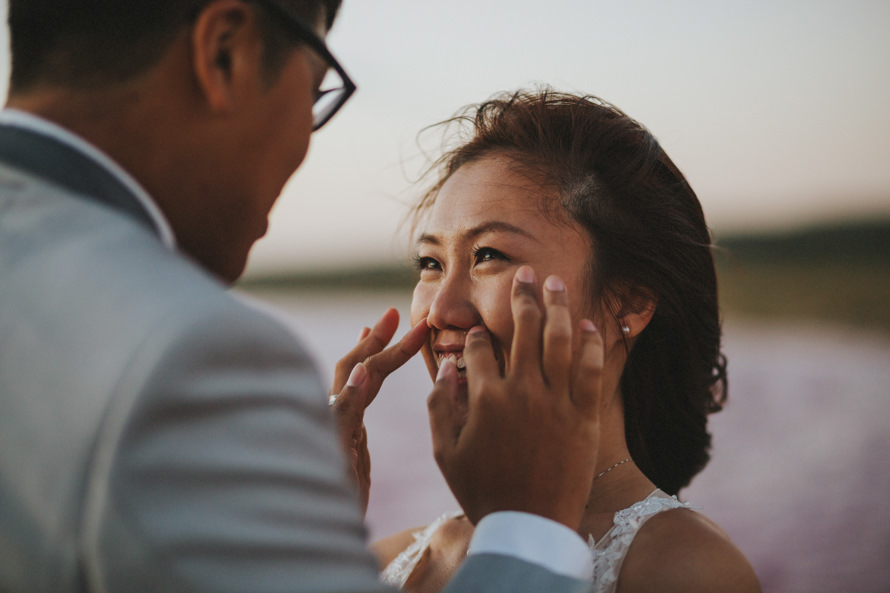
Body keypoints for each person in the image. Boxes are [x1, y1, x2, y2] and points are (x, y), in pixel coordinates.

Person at [0, 2, 605, 592]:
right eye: (315, 94)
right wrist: (529, 528)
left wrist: (283, 527)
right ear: (226, 52)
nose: (303, 144)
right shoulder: (184, 350)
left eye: (489, 256)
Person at [345, 89, 762, 593]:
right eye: (431, 264)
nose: (439, 312)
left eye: (488, 255)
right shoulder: (381, 560)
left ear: (627, 303)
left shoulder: (683, 569)